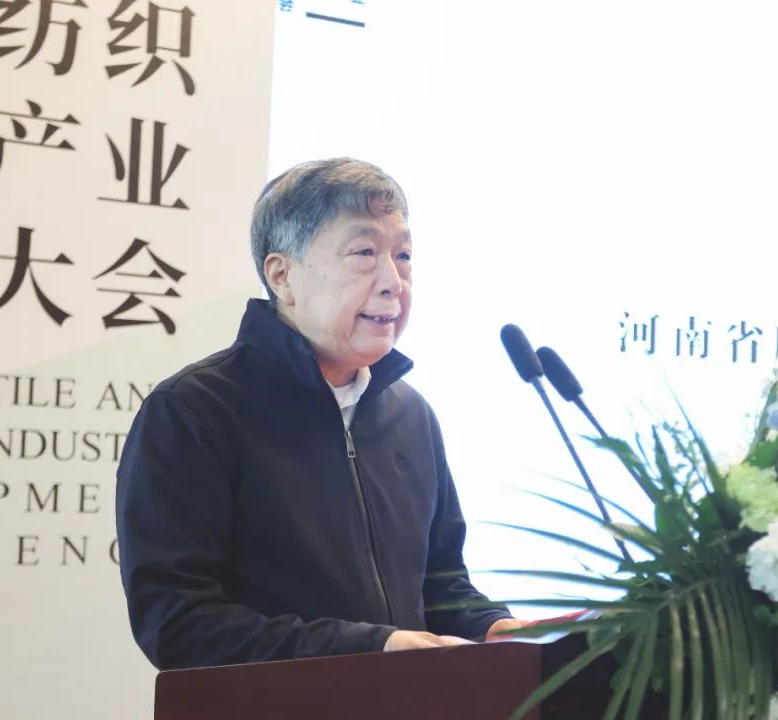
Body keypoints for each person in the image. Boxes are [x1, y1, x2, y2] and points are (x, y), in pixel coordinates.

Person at [116, 157, 525, 670]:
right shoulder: (194, 411)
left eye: (403, 255)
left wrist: (492, 627)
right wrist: (372, 649)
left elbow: (440, 586)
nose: (393, 282)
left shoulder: (411, 415)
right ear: (282, 276)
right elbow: (178, 625)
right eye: (364, 253)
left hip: (408, 704)